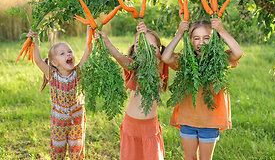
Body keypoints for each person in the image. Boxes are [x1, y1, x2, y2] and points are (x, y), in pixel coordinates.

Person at [161, 18, 243, 160]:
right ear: (190, 40)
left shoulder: (219, 60)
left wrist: (221, 30)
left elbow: (238, 53)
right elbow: (166, 57)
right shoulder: (185, 61)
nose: (201, 42)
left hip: (210, 122)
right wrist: (179, 34)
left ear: (213, 40)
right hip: (188, 120)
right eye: (196, 38)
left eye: (207, 38)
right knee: (190, 158)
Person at [96, 21, 171, 160]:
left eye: (148, 45)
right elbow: (118, 56)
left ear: (159, 49)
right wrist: (105, 40)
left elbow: (163, 57)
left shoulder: (159, 66)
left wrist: (145, 32)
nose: (143, 48)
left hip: (150, 128)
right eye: (138, 44)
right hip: (130, 126)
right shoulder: (133, 67)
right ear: (134, 49)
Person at [30, 26, 92, 159]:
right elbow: (38, 61)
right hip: (59, 121)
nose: (68, 54)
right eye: (62, 53)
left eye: (70, 51)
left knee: (77, 149)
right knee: (58, 150)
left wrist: (89, 32)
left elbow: (87, 51)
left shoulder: (78, 72)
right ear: (54, 62)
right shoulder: (52, 74)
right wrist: (35, 41)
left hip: (77, 119)